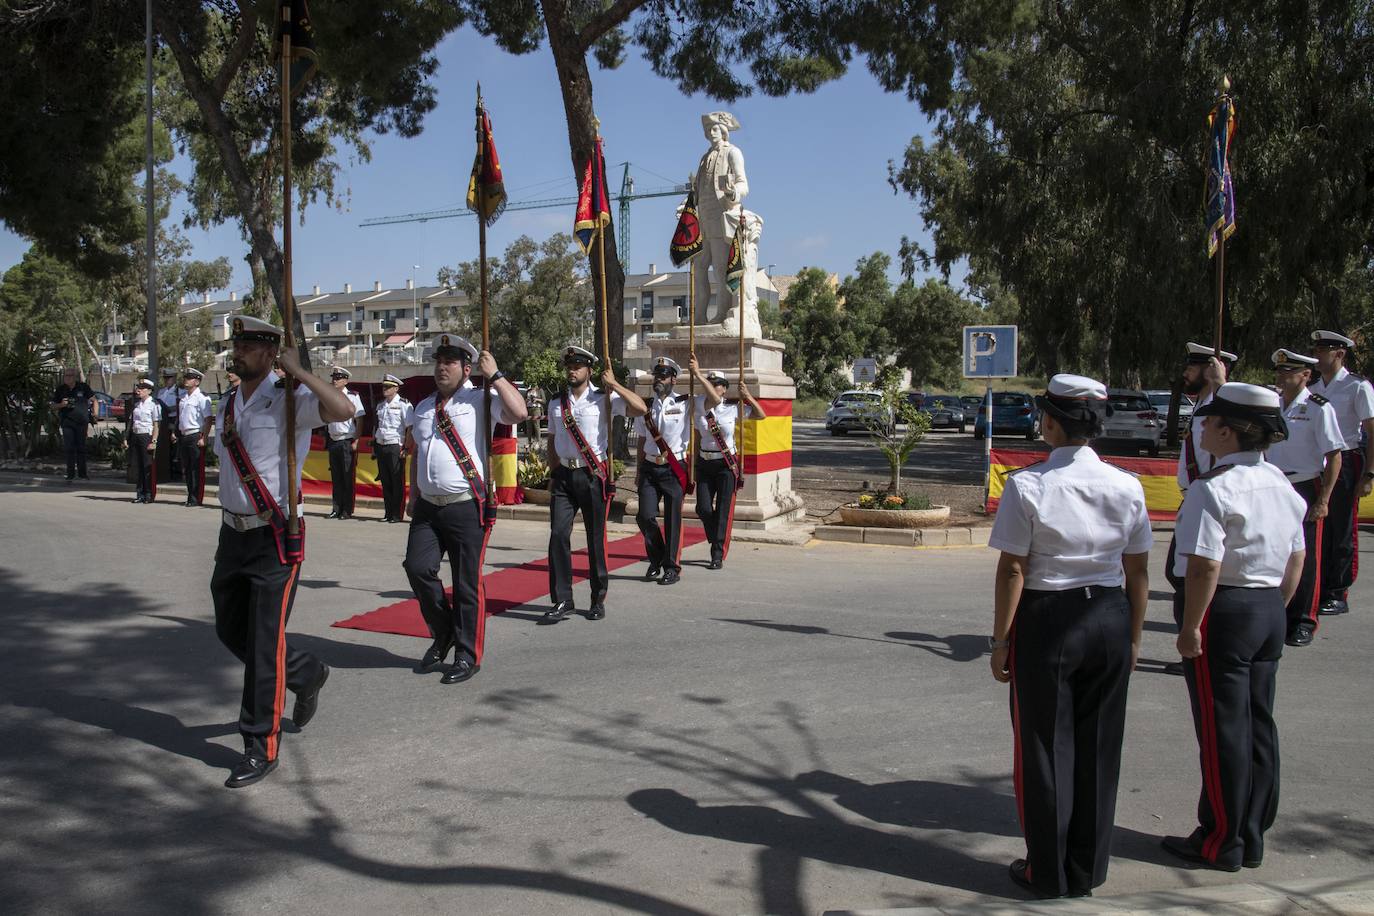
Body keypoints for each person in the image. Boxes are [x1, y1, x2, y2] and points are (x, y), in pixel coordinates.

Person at [987, 374, 1152, 898]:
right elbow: (1139, 571)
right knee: (1100, 745)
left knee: (1044, 747)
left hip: (1049, 618)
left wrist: (1000, 641)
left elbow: (1014, 569)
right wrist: (1134, 635)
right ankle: (1088, 868)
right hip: (1107, 612)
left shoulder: (1028, 484)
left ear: (1050, 422)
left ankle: (1048, 871)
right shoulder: (1127, 484)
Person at [1164, 382, 1305, 872]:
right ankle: (1250, 833)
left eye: (1209, 420)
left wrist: (1191, 626)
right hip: (1266, 606)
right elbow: (1296, 557)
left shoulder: (1213, 488)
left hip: (1223, 611)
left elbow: (1204, 566)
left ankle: (1221, 840)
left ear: (1228, 432)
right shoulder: (1281, 484)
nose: (1201, 426)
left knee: (1222, 728)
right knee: (1257, 724)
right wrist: (1275, 606)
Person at [210, 316, 356, 788]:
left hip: (274, 536)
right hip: (232, 534)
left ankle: (259, 745)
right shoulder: (227, 404)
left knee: (262, 642)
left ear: (271, 354)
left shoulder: (291, 398)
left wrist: (302, 372)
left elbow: (344, 410)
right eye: (238, 345)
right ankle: (307, 671)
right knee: (231, 630)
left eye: (249, 346)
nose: (239, 353)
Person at [402, 333, 528, 684]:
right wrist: (413, 494)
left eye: (450, 362)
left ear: (467, 368)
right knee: (417, 568)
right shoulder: (424, 406)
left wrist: (497, 375)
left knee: (466, 583)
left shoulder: (481, 399)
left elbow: (519, 412)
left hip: (465, 505)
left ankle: (466, 654)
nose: (441, 368)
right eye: (438, 362)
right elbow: (417, 453)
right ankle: (443, 632)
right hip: (428, 507)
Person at [540, 346, 648, 625]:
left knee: (595, 538)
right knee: (557, 535)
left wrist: (615, 385)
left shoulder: (604, 399)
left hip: (591, 475)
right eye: (569, 366)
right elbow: (552, 440)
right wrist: (553, 473)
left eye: (577, 366)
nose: (572, 370)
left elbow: (640, 408)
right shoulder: (556, 403)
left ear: (589, 370)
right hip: (564, 475)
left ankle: (597, 597)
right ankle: (562, 599)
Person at [1265, 349, 1343, 646]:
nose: (1282, 377)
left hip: (1304, 485)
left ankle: (1303, 620)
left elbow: (1334, 456)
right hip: (1274, 485)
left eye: (1289, 372)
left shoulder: (1318, 408)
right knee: (1275, 553)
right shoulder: (1272, 405)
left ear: (1306, 375)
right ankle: (1278, 615)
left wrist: (1323, 499)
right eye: (1280, 372)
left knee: (1306, 557)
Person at [1307, 329, 1374, 616]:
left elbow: (1371, 432)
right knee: (1318, 526)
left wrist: (1369, 473)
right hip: (1317, 461)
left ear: (1340, 353)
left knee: (1342, 528)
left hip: (1346, 459)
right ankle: (1319, 585)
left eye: (1323, 351)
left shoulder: (1357, 387)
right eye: (1317, 351)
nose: (1318, 357)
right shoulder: (1314, 388)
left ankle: (1338, 590)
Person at [689, 355, 766, 569]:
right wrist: (693, 467)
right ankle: (715, 536)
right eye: (710, 384)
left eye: (716, 385)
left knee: (723, 510)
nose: (712, 388)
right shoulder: (699, 407)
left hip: (725, 465)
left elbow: (761, 415)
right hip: (705, 463)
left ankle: (717, 553)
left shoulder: (733, 408)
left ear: (724, 389)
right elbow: (696, 439)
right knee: (703, 508)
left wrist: (748, 396)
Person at [635, 356, 692, 586]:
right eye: (656, 375)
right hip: (650, 466)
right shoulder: (645, 405)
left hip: (674, 467)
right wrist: (639, 469)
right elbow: (641, 439)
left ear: (673, 379)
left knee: (672, 519)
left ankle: (671, 567)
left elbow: (714, 400)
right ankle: (657, 557)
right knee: (645, 516)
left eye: (664, 375)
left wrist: (696, 374)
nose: (658, 379)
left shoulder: (686, 403)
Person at [691, 111, 749, 325]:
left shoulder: (733, 152)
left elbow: (744, 183)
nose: (711, 133)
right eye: (708, 130)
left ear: (724, 131)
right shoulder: (704, 157)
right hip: (702, 218)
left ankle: (723, 312)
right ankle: (699, 316)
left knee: (719, 267)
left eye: (715, 129)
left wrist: (735, 192)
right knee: (699, 268)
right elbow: (697, 189)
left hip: (720, 215)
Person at [324, 366, 366, 520]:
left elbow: (359, 419)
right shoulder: (330, 395)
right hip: (333, 439)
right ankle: (336, 508)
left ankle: (346, 510)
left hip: (347, 440)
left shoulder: (352, 396)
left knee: (347, 477)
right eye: (334, 377)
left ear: (346, 380)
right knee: (336, 478)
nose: (335, 380)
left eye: (338, 378)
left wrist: (356, 439)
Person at [373, 373, 413, 523]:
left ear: (396, 388)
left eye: (388, 387)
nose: (385, 389)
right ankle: (388, 512)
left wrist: (406, 448)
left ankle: (397, 513)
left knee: (397, 481)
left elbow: (410, 428)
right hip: (381, 444)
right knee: (385, 481)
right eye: (384, 386)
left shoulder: (404, 404)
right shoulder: (380, 405)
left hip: (396, 445)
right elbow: (377, 426)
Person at [174, 368, 213, 506]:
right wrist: (176, 431)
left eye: (189, 378)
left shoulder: (202, 397)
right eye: (186, 377)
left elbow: (208, 418)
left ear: (196, 381)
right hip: (184, 436)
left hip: (196, 434)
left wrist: (205, 437)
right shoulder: (183, 398)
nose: (186, 380)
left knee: (196, 469)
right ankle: (190, 496)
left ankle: (197, 498)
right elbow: (181, 418)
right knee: (187, 469)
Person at [50, 367, 95, 483]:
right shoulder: (61, 389)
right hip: (67, 422)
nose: (67, 378)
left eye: (69, 376)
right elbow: (53, 406)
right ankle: (70, 474)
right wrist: (61, 404)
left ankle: (82, 474)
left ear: (74, 377)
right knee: (69, 448)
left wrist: (95, 413)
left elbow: (94, 399)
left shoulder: (83, 387)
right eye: (65, 375)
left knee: (81, 448)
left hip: (81, 422)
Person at [127, 378, 161, 503]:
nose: (138, 391)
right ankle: (140, 493)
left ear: (149, 391)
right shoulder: (136, 404)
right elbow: (132, 422)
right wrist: (127, 438)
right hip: (136, 436)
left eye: (142, 389)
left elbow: (156, 425)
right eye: (138, 388)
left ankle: (149, 494)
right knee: (138, 466)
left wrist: (154, 441)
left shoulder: (154, 404)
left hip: (147, 436)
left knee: (147, 467)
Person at [155, 367, 182, 481]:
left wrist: (169, 409)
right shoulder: (161, 392)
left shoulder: (180, 391)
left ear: (175, 378)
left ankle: (176, 472)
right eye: (165, 378)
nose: (167, 380)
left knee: (175, 447)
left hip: (174, 420)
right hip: (163, 422)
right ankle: (165, 471)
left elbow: (180, 406)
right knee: (163, 447)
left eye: (169, 378)